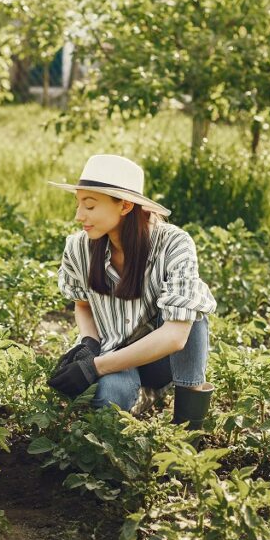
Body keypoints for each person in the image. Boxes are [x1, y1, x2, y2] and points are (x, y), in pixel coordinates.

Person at [46, 154, 217, 431]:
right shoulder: (78, 248)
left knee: (193, 314)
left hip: (161, 359)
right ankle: (140, 400)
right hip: (112, 352)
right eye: (78, 204)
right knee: (111, 398)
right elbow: (83, 305)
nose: (79, 215)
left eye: (89, 205)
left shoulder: (173, 244)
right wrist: (90, 344)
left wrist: (95, 368)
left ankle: (189, 430)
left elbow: (176, 337)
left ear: (125, 205)